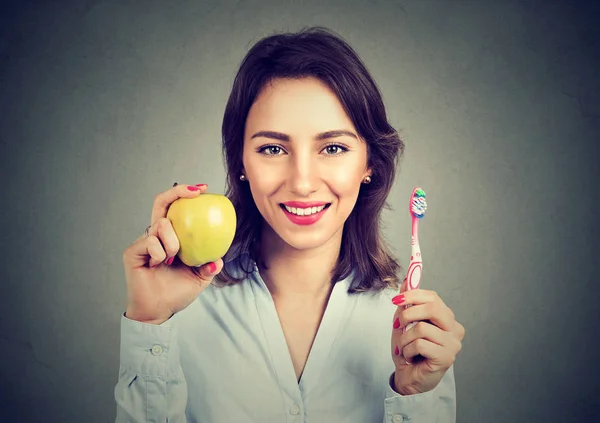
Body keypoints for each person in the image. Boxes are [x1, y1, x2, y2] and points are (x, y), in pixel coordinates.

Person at [115, 26, 465, 423]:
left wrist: (413, 397)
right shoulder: (174, 317)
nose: (301, 182)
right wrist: (150, 325)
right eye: (273, 148)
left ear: (370, 164)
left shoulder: (414, 337)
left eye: (332, 148)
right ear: (241, 163)